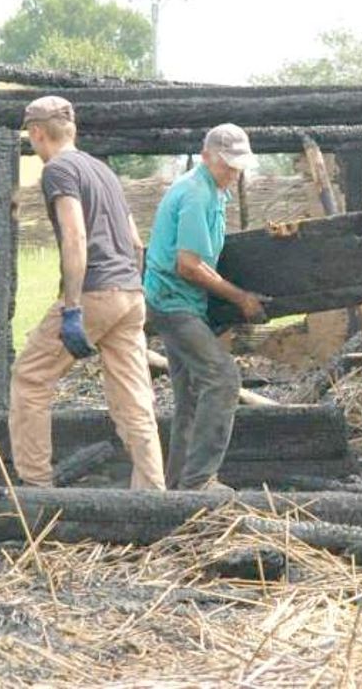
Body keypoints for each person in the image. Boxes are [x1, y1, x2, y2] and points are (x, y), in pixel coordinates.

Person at [8, 96, 165, 490]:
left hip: (95, 291)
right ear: (72, 129)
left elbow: (75, 237)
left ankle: (35, 486)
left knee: (29, 378)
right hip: (130, 293)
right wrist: (133, 288)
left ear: (37, 132)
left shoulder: (58, 170)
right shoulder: (102, 170)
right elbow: (136, 242)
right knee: (134, 401)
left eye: (31, 135)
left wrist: (73, 307)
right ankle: (153, 493)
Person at [144, 123, 267, 491]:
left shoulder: (214, 190)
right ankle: (199, 481)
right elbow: (189, 265)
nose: (234, 172)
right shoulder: (196, 192)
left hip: (183, 302)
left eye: (237, 165)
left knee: (192, 394)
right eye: (227, 164)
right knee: (223, 379)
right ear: (206, 156)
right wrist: (241, 298)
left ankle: (178, 484)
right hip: (172, 302)